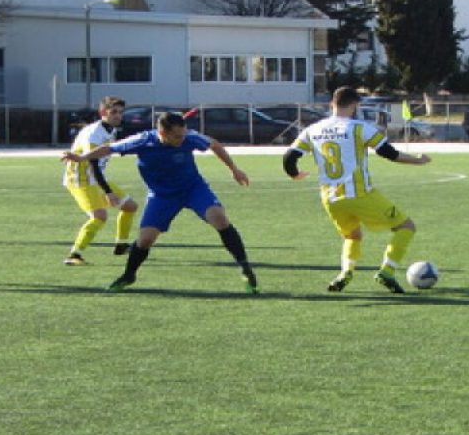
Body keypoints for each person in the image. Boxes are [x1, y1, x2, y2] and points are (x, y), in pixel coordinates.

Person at [62, 111, 259, 294]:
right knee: (145, 239)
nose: (181, 139)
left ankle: (245, 268)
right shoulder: (142, 140)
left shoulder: (189, 137)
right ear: (162, 132)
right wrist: (81, 157)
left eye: (183, 135)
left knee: (220, 219)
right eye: (176, 136)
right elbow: (107, 149)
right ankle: (128, 276)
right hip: (162, 196)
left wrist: (234, 169)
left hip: (193, 189)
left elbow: (214, 144)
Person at [283, 86, 431, 294]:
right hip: (360, 194)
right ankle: (387, 271)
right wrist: (418, 161)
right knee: (406, 227)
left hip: (330, 198)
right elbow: (389, 153)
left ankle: (345, 273)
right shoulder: (358, 128)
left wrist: (294, 174)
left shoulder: (313, 129)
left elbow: (290, 157)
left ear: (331, 104)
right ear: (354, 105)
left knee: (352, 236)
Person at [62, 96, 138, 265]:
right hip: (81, 180)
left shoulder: (111, 130)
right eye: (114, 112)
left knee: (130, 206)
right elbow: (93, 164)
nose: (118, 116)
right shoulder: (94, 133)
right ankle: (74, 254)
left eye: (120, 112)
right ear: (103, 112)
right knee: (99, 216)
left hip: (96, 179)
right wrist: (108, 192)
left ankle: (121, 245)